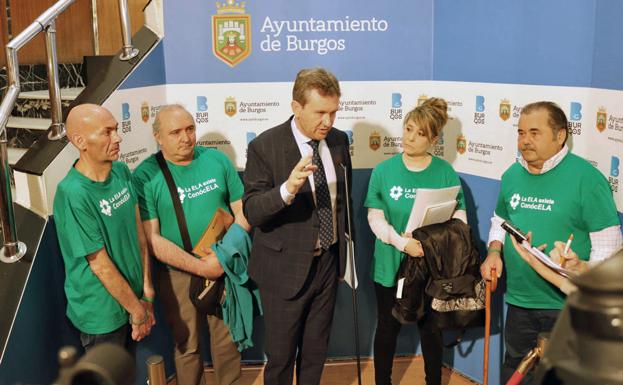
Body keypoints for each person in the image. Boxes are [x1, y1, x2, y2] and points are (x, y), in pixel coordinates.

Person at [480, 101, 623, 384]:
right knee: (516, 370)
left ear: (561, 136)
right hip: (519, 301)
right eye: (521, 133)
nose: (525, 140)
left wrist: (579, 269)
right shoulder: (512, 175)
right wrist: (494, 251)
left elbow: (608, 251)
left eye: (535, 132)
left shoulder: (588, 179)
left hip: (566, 306)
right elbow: (500, 220)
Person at [243, 67, 352, 385]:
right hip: (283, 269)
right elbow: (252, 211)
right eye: (320, 112)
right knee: (280, 358)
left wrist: (345, 256)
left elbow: (342, 202)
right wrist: (287, 189)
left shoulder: (339, 141)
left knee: (316, 353)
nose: (328, 122)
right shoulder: (265, 147)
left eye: (333, 112)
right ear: (296, 107)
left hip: (328, 264)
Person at [132, 105, 249, 385]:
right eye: (175, 132)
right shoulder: (146, 175)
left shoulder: (217, 160)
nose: (186, 137)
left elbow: (242, 213)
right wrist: (201, 267)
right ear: (158, 137)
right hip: (177, 274)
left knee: (228, 343)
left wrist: (219, 260)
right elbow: (152, 238)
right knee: (187, 346)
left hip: (223, 266)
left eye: (190, 129)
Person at [364, 98, 466, 385]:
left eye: (420, 133)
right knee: (387, 327)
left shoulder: (445, 172)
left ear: (433, 138)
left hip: (430, 266)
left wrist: (432, 244)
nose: (410, 137)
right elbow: (375, 218)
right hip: (390, 264)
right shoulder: (383, 171)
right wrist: (401, 243)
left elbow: (460, 220)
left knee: (431, 329)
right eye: (408, 128)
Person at [54, 104, 155, 351]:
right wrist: (137, 311)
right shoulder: (72, 194)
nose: (118, 138)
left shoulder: (121, 171)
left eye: (117, 130)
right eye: (107, 132)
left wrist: (147, 291)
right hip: (102, 315)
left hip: (134, 300)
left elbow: (139, 235)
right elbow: (100, 265)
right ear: (80, 141)